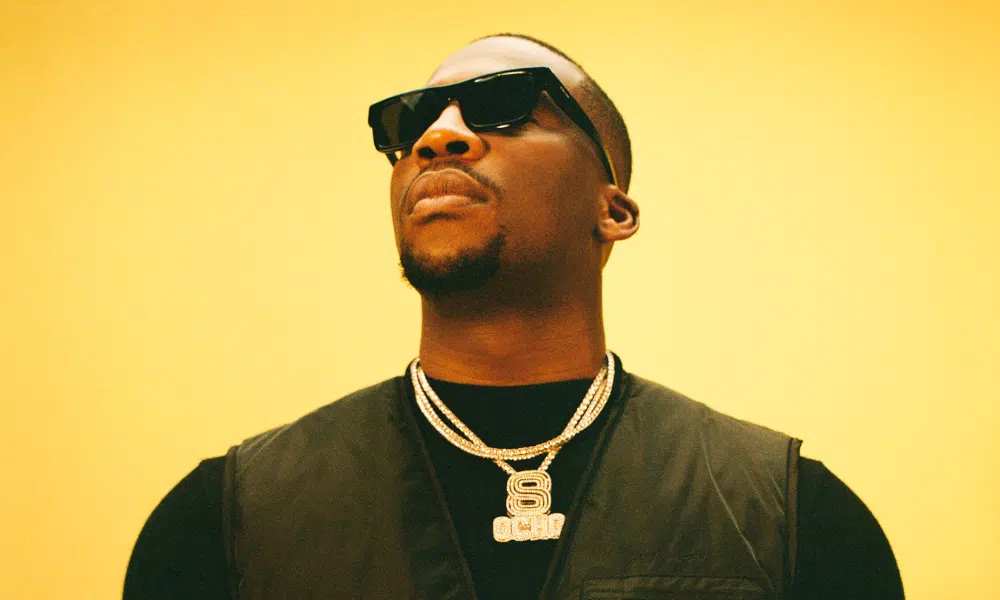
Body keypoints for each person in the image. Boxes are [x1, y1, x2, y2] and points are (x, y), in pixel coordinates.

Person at [124, 33, 904, 600]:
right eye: (410, 125)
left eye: (503, 106)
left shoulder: (793, 519)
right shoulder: (223, 522)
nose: (438, 137)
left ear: (613, 211)